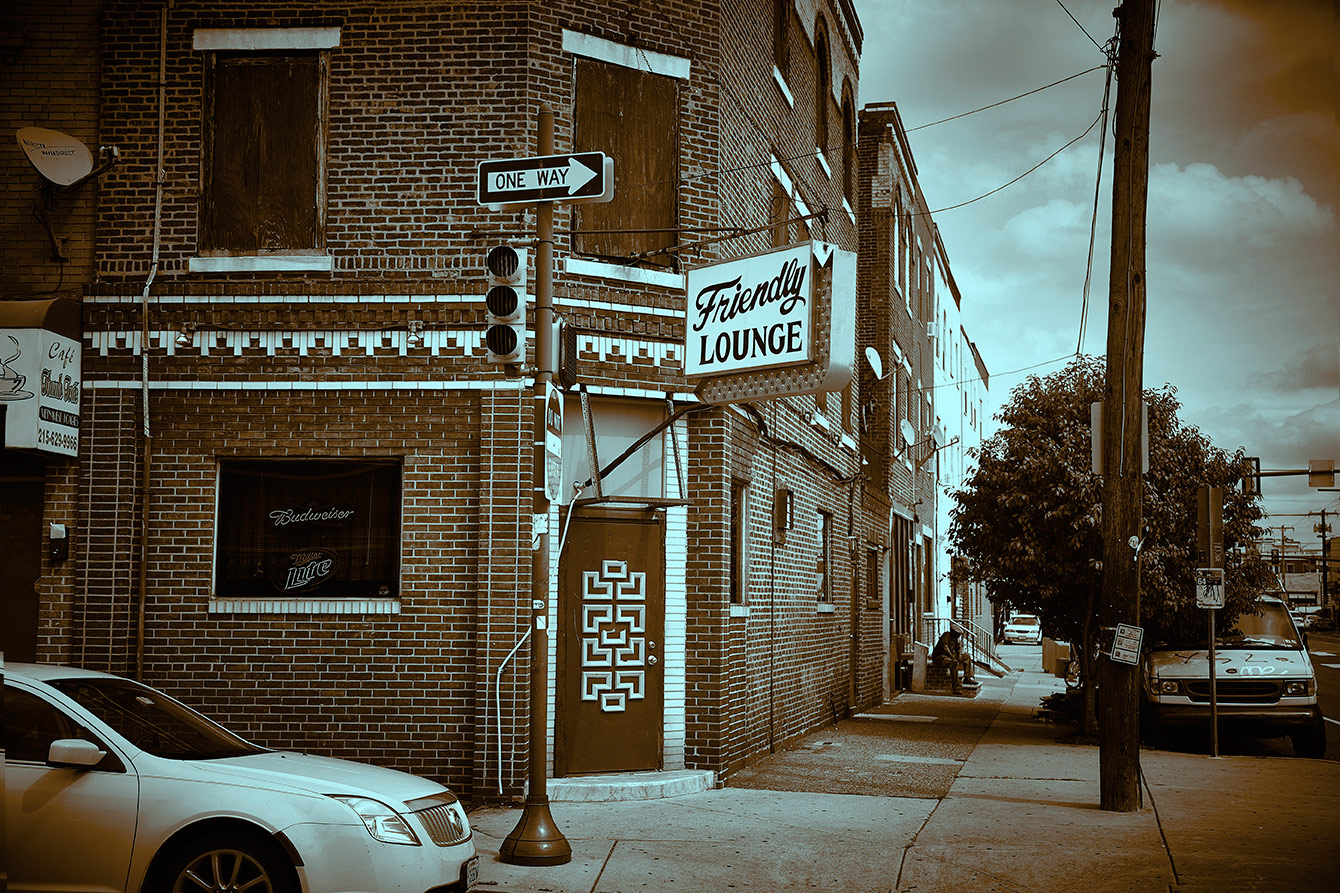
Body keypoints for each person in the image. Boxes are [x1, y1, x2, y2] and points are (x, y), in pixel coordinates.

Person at [931, 627, 977, 693]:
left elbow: (958, 648)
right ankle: (956, 687)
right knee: (953, 663)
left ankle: (967, 677)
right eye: (958, 634)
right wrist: (953, 657)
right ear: (954, 633)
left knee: (967, 656)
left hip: (949, 656)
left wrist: (959, 655)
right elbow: (945, 647)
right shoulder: (946, 635)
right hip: (940, 657)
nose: (959, 636)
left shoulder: (955, 639)